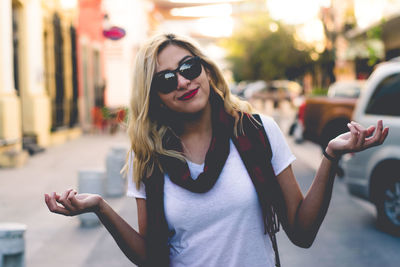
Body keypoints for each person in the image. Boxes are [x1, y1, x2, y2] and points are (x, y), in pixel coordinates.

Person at [44, 33, 389, 267]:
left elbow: (302, 231)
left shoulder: (258, 131)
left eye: (188, 67)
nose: (182, 81)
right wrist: (101, 208)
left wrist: (330, 155)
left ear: (206, 70)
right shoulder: (148, 155)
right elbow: (150, 257)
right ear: (155, 97)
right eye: (165, 80)